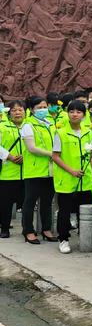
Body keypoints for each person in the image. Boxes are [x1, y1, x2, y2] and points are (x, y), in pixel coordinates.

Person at [52, 100, 92, 254]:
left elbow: (91, 155)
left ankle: (85, 239)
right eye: (71, 111)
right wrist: (71, 171)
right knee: (65, 211)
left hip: (85, 179)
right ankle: (63, 239)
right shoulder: (61, 132)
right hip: (67, 179)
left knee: (84, 210)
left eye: (78, 112)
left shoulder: (88, 131)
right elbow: (56, 157)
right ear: (67, 113)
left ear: (84, 115)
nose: (74, 114)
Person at [21, 96, 57, 244]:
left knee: (47, 202)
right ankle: (28, 231)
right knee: (30, 201)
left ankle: (46, 229)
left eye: (44, 107)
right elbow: (31, 148)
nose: (43, 110)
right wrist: (51, 154)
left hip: (50, 170)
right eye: (39, 108)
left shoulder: (50, 123)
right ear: (31, 110)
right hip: (35, 170)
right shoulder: (28, 125)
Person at [0, 100, 26, 238]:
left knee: (26, 202)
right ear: (9, 113)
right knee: (6, 203)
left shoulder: (29, 127)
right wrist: (9, 156)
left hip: (27, 172)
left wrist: (25, 157)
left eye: (20, 110)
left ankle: (27, 229)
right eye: (14, 110)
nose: (17, 113)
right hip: (8, 172)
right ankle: (4, 228)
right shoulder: (2, 127)